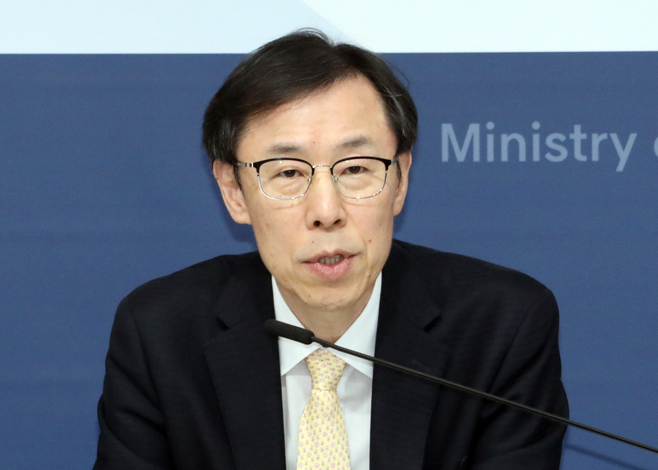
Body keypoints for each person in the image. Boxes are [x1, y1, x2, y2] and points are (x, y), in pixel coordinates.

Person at [94, 29, 568, 470]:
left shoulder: (501, 329)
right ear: (234, 191)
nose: (326, 211)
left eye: (356, 168)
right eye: (288, 172)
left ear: (400, 179)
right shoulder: (161, 336)